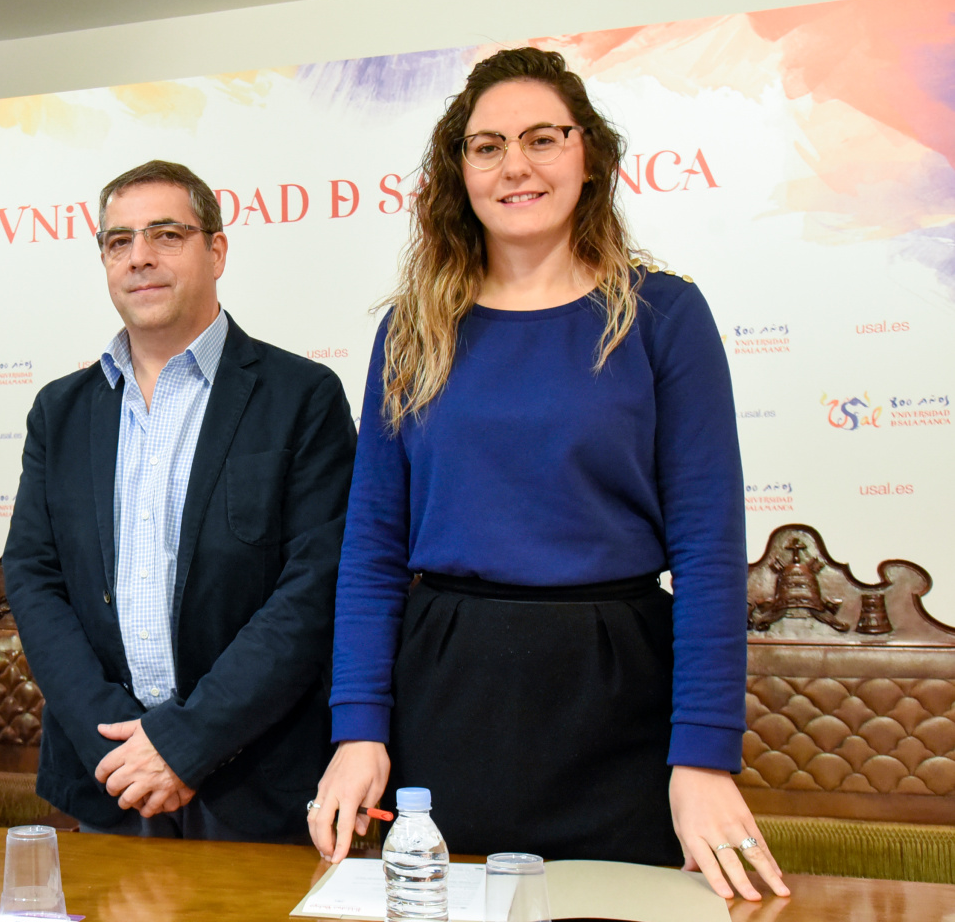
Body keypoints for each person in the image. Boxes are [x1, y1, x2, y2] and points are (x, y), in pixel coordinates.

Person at [307, 48, 791, 901]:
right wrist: (358, 730)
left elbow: (712, 556)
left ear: (590, 154)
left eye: (543, 138)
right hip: (448, 696)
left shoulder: (663, 317)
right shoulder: (411, 331)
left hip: (619, 697)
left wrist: (706, 756)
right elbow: (372, 552)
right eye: (486, 145)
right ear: (459, 171)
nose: (515, 166)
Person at [3, 160, 357, 843]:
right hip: (106, 780)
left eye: (166, 234)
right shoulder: (60, 411)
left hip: (254, 778)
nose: (140, 258)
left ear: (216, 250)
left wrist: (185, 742)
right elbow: (34, 579)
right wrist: (116, 745)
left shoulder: (301, 398)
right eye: (119, 241)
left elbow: (313, 589)